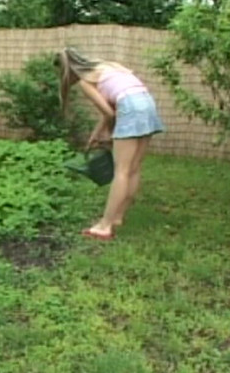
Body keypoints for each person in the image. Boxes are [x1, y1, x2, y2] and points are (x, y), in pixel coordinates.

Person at [56, 47, 165, 240]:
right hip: (146, 103)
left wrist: (109, 133)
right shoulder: (109, 66)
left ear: (67, 70)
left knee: (121, 170)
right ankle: (118, 217)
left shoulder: (85, 81)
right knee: (134, 167)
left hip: (130, 107)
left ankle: (104, 226)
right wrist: (98, 134)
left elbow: (109, 113)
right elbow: (115, 105)